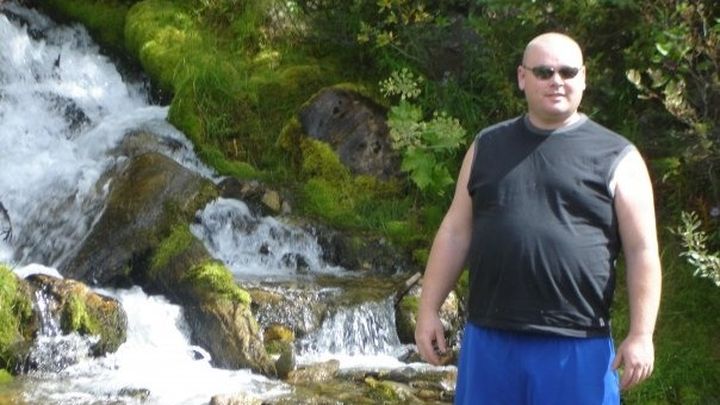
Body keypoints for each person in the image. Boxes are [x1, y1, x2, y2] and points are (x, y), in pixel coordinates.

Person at [414, 32, 661, 404]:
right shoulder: (486, 146)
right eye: (544, 71)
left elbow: (643, 251)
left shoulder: (619, 156)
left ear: (583, 78)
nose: (556, 80)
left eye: (567, 71)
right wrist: (428, 309)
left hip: (577, 344)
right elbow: (455, 232)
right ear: (522, 77)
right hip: (490, 340)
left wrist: (641, 334)